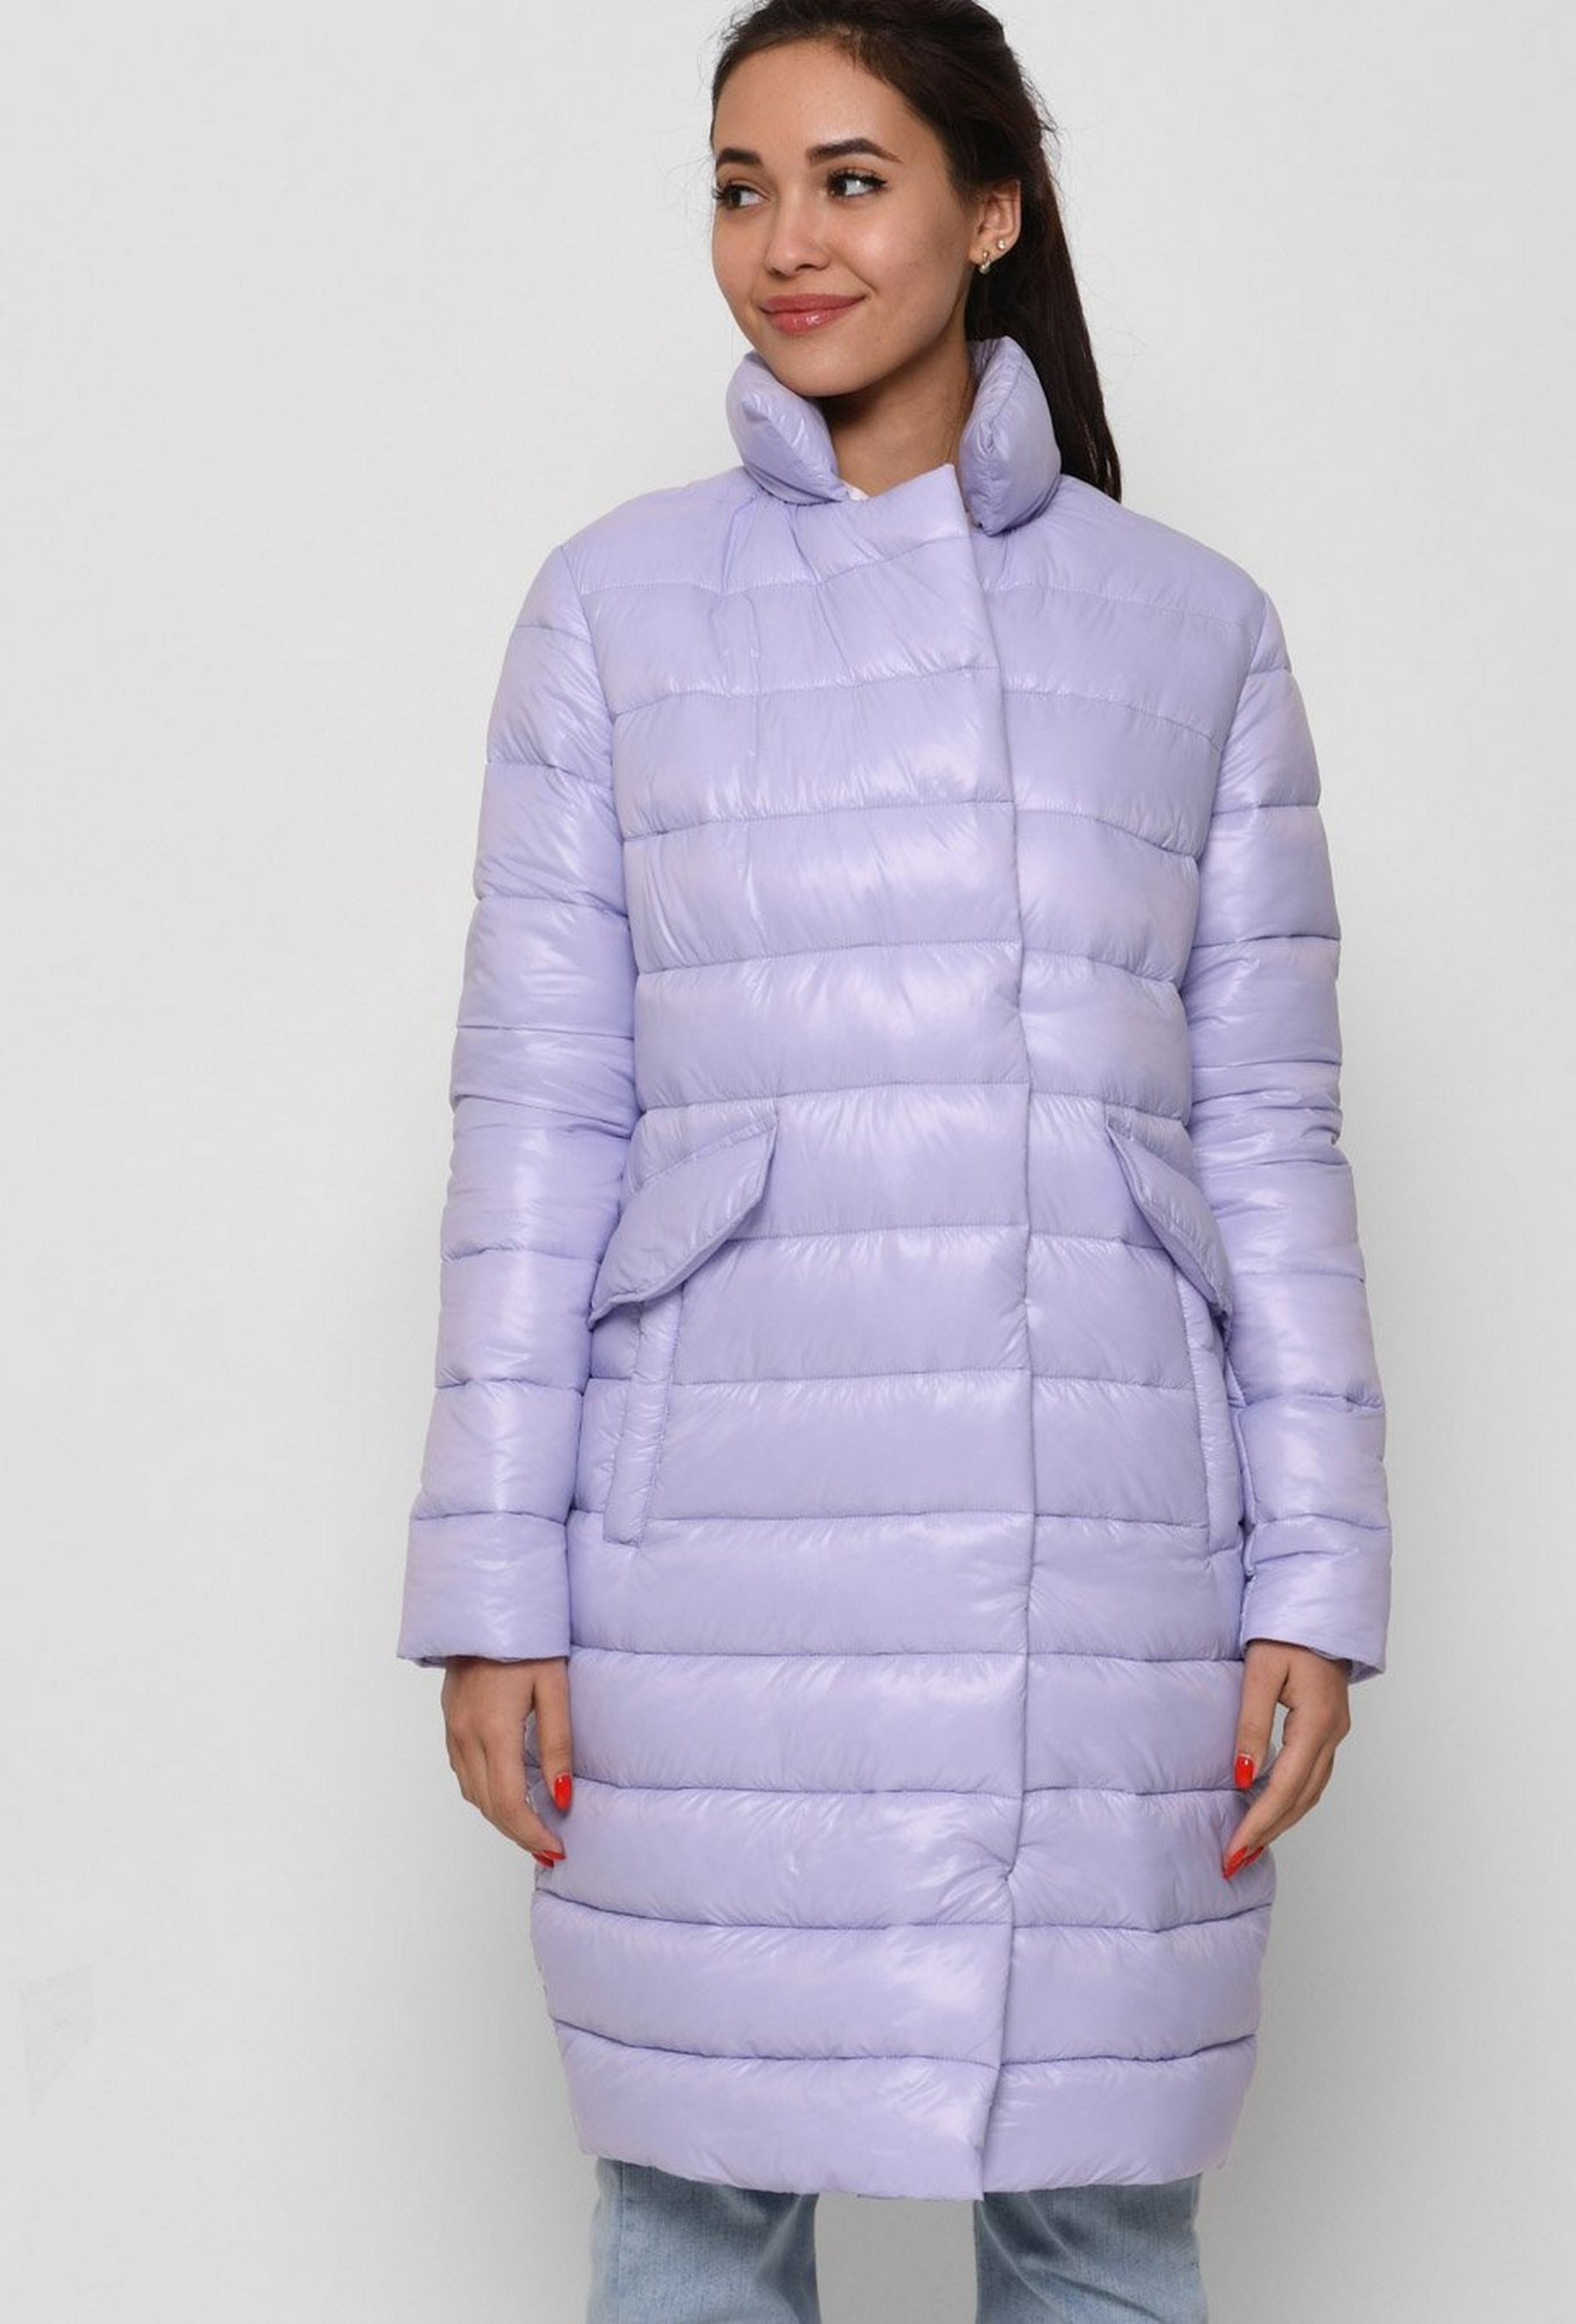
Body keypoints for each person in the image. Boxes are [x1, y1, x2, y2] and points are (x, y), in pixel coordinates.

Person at [398, 2, 1394, 2315]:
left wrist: (1313, 1581)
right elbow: (540, 1114)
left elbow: (1266, 1128)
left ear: (991, 206)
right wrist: (492, 1587)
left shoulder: (1194, 631)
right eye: (739, 187)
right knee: (694, 2209)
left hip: (1110, 1554)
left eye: (850, 180)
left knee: (1099, 2215)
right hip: (709, 1556)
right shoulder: (611, 612)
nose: (787, 243)